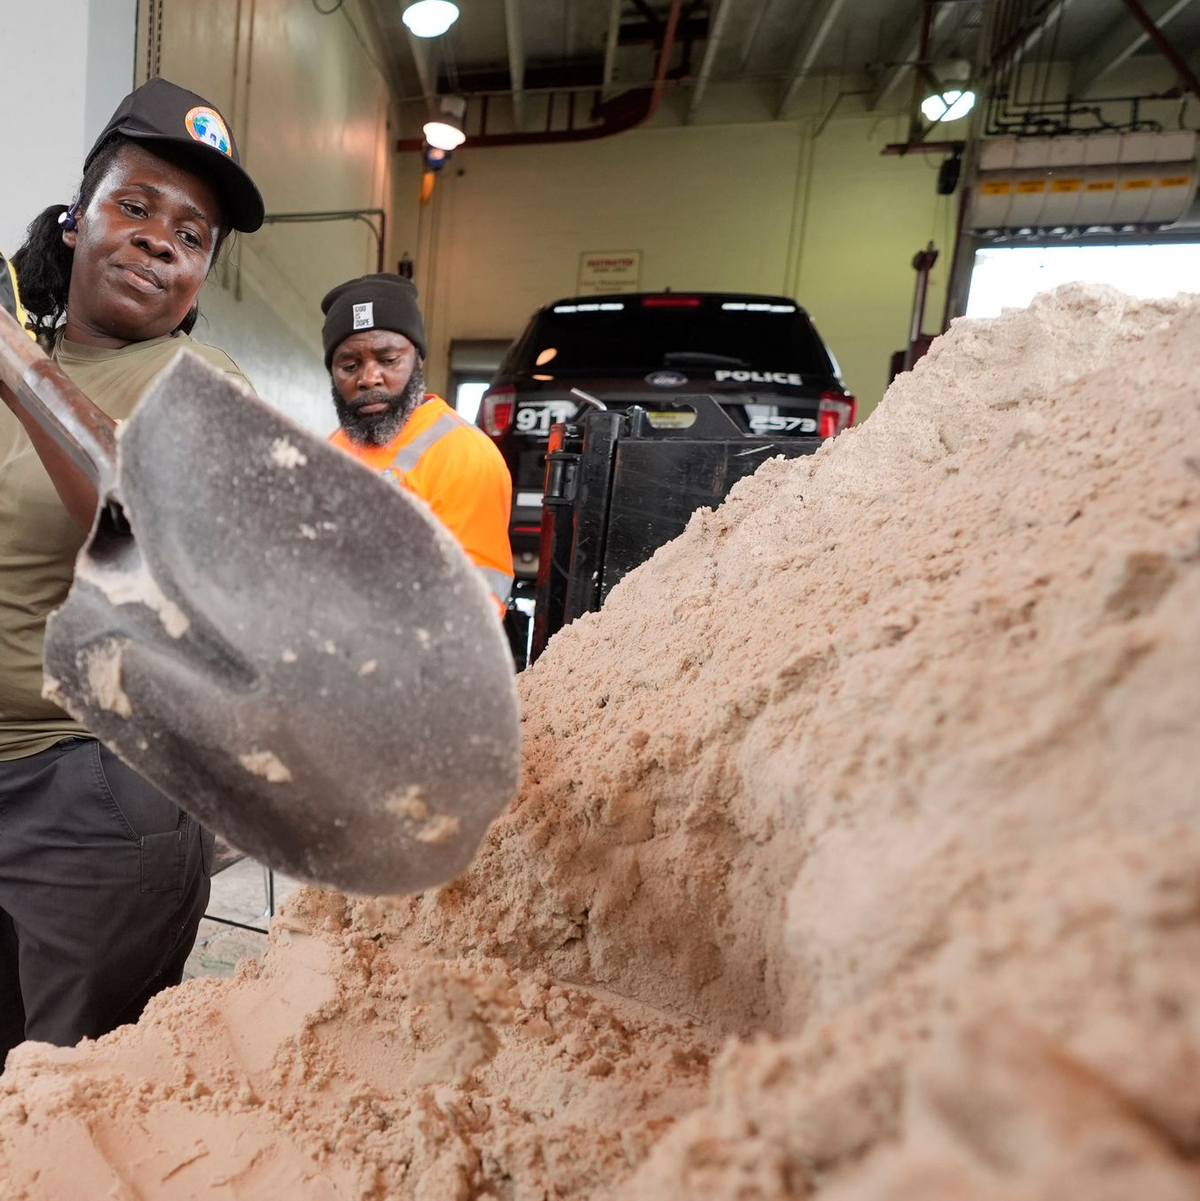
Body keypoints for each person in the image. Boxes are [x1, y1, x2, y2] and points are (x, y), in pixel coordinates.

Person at [0, 78, 264, 1065]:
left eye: (192, 236)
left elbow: (145, 525)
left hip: (93, 799)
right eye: (136, 205)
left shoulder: (198, 386)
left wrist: (18, 364)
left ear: (198, 277)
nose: (161, 239)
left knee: (77, 1105)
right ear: (77, 220)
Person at [321, 274, 515, 617]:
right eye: (349, 366)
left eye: (388, 360)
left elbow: (475, 604)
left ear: (418, 359)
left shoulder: (465, 456)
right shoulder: (330, 449)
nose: (368, 378)